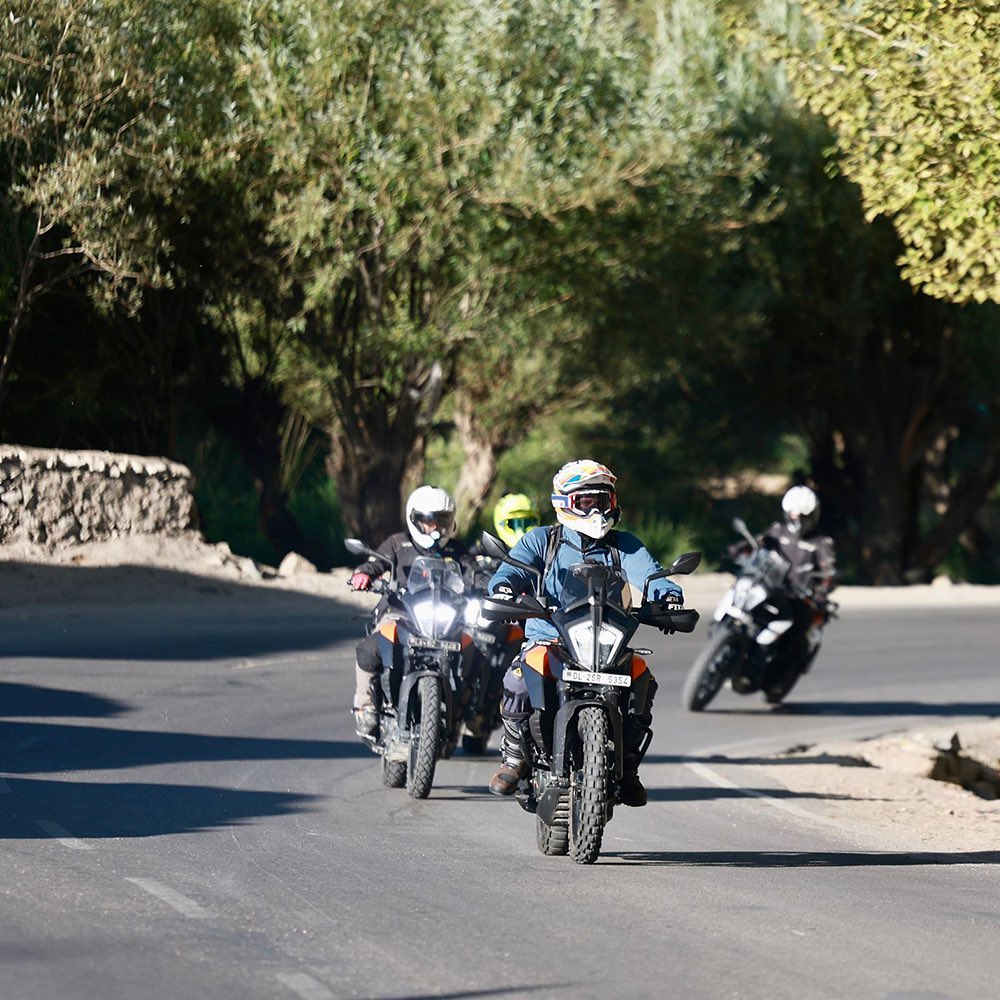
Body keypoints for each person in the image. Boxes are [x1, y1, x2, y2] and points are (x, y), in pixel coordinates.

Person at [485, 459, 685, 807]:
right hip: (551, 638)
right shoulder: (541, 540)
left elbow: (651, 577)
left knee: (642, 678)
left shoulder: (625, 545)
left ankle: (628, 766)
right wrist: (503, 590)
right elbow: (508, 573)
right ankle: (515, 758)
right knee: (518, 679)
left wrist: (668, 597)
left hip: (609, 641)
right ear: (564, 503)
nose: (596, 510)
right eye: (585, 501)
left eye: (602, 501)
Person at [349, 485, 477, 737]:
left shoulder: (457, 551)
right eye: (429, 521)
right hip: (401, 613)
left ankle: (461, 710)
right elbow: (376, 562)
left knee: (473, 648)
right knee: (369, 648)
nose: (435, 527)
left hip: (444, 619)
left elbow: (475, 573)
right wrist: (363, 574)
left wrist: (495, 585)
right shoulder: (398, 543)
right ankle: (366, 707)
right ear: (415, 519)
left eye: (442, 521)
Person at [731, 485, 837, 688]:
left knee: (796, 635)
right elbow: (759, 543)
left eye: (803, 516)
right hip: (769, 585)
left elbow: (828, 571)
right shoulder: (777, 530)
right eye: (794, 514)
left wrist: (822, 589)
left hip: (797, 598)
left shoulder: (821, 542)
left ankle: (774, 674)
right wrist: (739, 549)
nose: (798, 520)